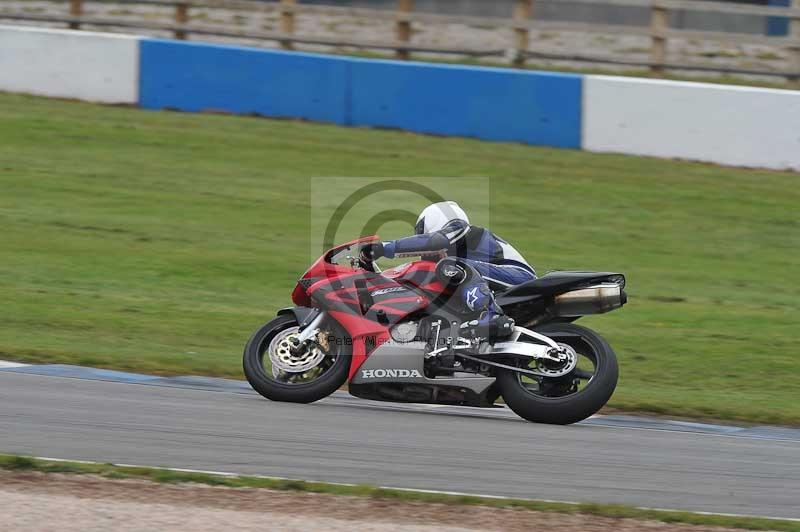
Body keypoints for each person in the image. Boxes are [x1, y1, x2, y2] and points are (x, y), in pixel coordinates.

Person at [365, 201, 536, 340]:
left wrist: (385, 248)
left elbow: (434, 242)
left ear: (432, 221)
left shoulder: (460, 229)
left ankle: (491, 315)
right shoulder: (457, 251)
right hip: (498, 278)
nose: (420, 237)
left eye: (421, 233)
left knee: (450, 265)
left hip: (518, 275)